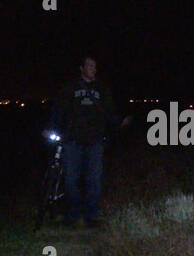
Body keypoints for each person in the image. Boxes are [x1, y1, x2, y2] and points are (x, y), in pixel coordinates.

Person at [43, 55, 130, 228]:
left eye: (95, 66)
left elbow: (109, 111)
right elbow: (59, 110)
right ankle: (73, 215)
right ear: (81, 68)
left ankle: (91, 216)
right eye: (90, 66)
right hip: (72, 141)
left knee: (94, 180)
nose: (93, 69)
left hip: (95, 141)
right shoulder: (70, 87)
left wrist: (120, 121)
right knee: (70, 179)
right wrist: (50, 127)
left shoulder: (102, 89)